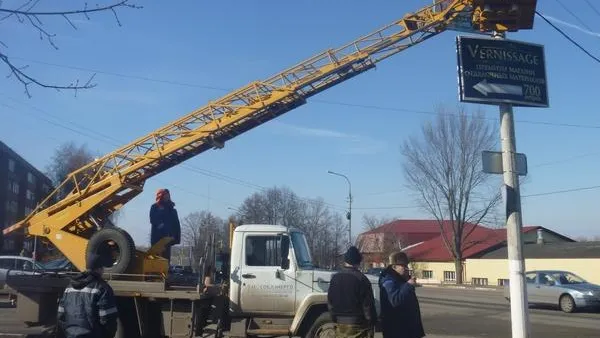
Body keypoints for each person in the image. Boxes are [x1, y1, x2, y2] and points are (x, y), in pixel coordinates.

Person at [57, 253, 118, 338]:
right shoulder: (102, 288)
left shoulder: (69, 287)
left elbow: (61, 316)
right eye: (102, 268)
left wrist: (69, 333)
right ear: (99, 269)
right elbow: (108, 320)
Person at [327, 246, 377, 338]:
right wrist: (371, 322)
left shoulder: (334, 278)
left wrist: (334, 318)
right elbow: (367, 305)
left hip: (339, 323)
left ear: (345, 261)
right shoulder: (362, 279)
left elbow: (330, 302)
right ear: (357, 262)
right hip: (357, 325)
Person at [378, 251, 425, 338]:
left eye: (406, 265)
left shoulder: (399, 279)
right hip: (397, 329)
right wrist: (408, 285)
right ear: (394, 266)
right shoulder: (388, 281)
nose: (406, 268)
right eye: (403, 266)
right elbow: (395, 300)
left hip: (406, 328)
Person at [150, 188, 181, 263]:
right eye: (165, 195)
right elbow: (152, 219)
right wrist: (160, 225)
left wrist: (176, 236)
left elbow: (176, 224)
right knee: (155, 256)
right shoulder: (155, 207)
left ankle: (165, 271)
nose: (167, 196)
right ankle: (154, 272)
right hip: (157, 237)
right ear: (161, 196)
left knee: (166, 257)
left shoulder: (172, 209)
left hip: (167, 237)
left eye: (168, 195)